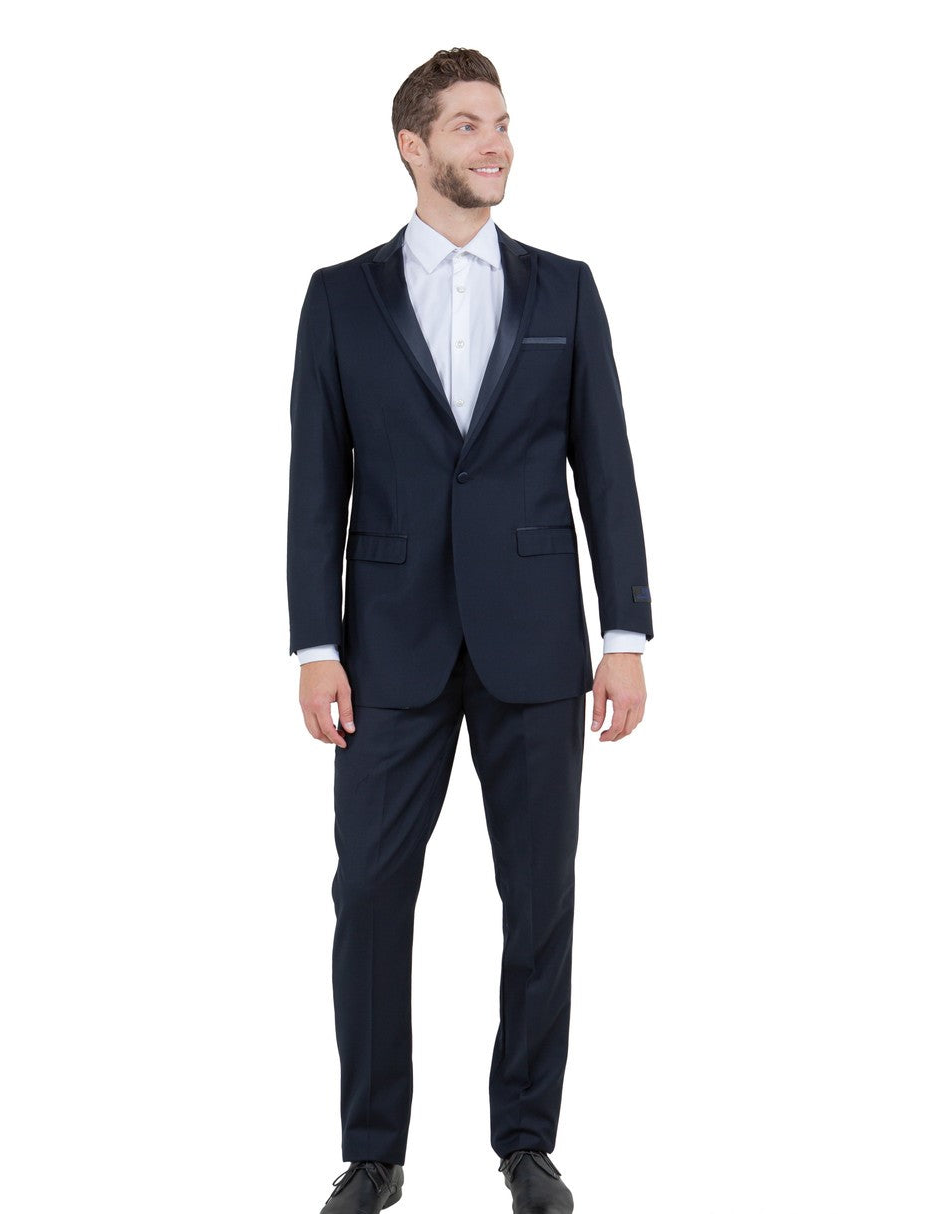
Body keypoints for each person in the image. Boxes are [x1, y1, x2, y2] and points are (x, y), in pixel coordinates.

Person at [287, 47, 653, 1214]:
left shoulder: (564, 292)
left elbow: (606, 466)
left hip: (536, 642)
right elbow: (315, 484)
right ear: (413, 146)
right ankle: (373, 1151)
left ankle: (526, 1143)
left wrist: (626, 631)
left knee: (539, 899)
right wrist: (314, 645)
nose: (494, 143)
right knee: (368, 895)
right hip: (385, 648)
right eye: (466, 125)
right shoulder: (339, 297)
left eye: (501, 122)